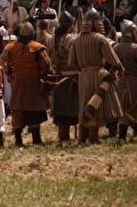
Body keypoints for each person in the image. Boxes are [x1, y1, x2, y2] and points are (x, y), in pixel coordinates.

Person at [68, 9, 123, 143]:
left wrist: (83, 69)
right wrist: (120, 67)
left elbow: (71, 63)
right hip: (98, 74)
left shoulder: (76, 40)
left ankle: (82, 137)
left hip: (83, 75)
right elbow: (112, 59)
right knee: (96, 104)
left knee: (84, 105)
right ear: (97, 23)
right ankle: (93, 137)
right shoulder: (100, 38)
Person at [2, 22, 52, 146]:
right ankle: (36, 139)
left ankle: (18, 140)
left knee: (18, 111)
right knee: (34, 110)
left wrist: (10, 76)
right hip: (33, 85)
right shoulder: (38, 48)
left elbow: (4, 64)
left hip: (18, 85)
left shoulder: (10, 48)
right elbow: (47, 66)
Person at [50, 12, 79, 143]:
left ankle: (62, 135)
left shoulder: (52, 38)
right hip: (71, 76)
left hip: (58, 76)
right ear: (70, 25)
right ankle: (65, 136)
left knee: (61, 109)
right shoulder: (70, 39)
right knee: (70, 108)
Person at [113, 20, 137, 140]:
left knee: (123, 108)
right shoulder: (134, 48)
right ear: (129, 33)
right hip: (133, 82)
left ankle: (122, 137)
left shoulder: (115, 47)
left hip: (120, 82)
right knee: (133, 109)